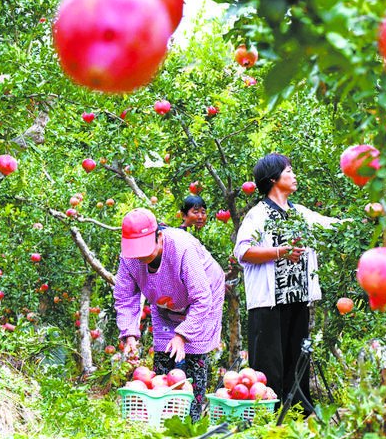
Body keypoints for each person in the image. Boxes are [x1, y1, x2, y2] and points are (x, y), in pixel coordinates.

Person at [233, 153, 341, 414]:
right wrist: (280, 251)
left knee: (297, 359)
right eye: (289, 171)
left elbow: (331, 226)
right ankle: (265, 414)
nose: (294, 176)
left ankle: (297, 413)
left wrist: (366, 220)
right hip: (269, 303)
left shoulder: (299, 213)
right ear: (273, 179)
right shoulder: (258, 215)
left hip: (298, 297)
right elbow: (243, 252)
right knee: (270, 363)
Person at [115, 208, 226, 421]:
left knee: (193, 354)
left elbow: (202, 298)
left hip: (203, 296)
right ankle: (162, 417)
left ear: (159, 237)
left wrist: (182, 335)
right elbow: (125, 297)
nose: (141, 257)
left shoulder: (182, 247)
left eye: (145, 250)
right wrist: (129, 333)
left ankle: (192, 421)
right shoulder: (129, 258)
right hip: (164, 302)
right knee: (163, 354)